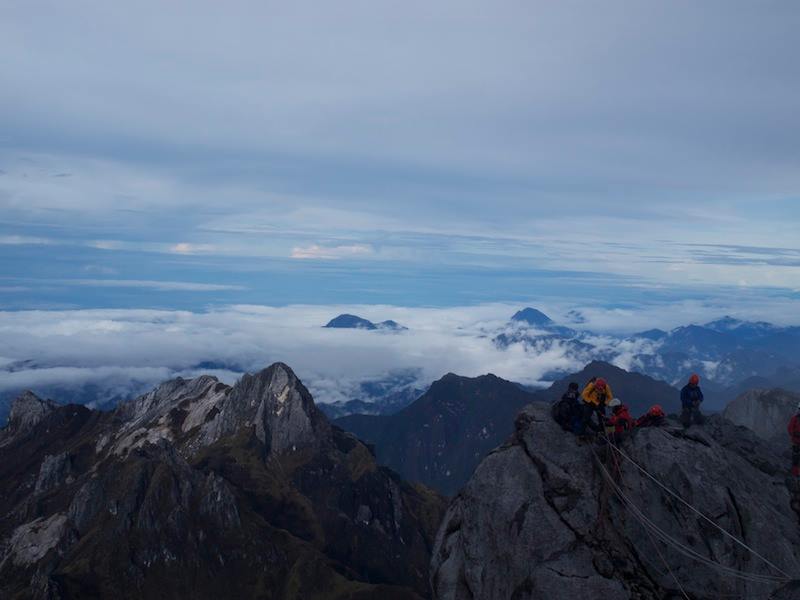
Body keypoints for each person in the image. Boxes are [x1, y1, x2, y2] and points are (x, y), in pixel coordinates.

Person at [788, 404, 800, 477]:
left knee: (795, 458)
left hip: (796, 441)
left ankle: (795, 474)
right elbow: (790, 429)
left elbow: (790, 429)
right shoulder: (795, 419)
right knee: (796, 459)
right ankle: (795, 474)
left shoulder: (795, 418)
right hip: (796, 441)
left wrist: (793, 436)